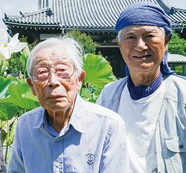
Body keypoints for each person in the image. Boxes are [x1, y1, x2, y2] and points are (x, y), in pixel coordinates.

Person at [96, 2, 186, 172]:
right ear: (119, 44)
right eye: (130, 37)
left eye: (149, 36)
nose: (140, 46)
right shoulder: (108, 96)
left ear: (166, 41)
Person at [8, 37, 128, 172]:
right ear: (32, 86)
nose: (53, 81)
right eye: (42, 72)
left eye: (62, 70)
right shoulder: (25, 125)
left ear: (79, 80)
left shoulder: (108, 125)